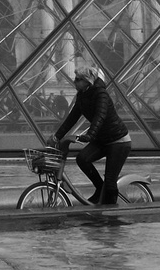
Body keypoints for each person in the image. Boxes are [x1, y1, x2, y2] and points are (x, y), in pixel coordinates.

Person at [50, 66, 131, 205]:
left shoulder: (101, 94)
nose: (74, 82)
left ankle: (113, 215)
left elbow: (100, 116)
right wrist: (57, 136)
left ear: (87, 81)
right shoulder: (82, 95)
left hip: (118, 141)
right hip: (102, 140)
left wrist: (89, 135)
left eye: (78, 80)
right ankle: (100, 188)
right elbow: (72, 117)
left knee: (110, 181)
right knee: (82, 159)